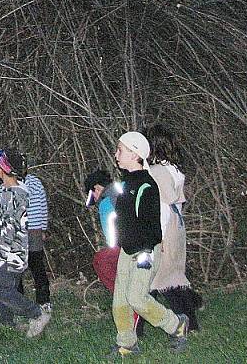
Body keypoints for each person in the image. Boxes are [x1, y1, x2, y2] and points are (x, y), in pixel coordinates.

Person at [110, 131, 188, 358]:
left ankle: (176, 325)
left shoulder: (147, 185)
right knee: (120, 300)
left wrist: (145, 255)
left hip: (145, 251)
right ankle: (127, 343)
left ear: (135, 154)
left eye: (120, 150)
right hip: (127, 249)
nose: (116, 154)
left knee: (137, 298)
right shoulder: (125, 183)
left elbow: (151, 225)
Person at [0, 148, 51, 337]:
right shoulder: (9, 191)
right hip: (5, 251)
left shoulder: (15, 194)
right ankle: (6, 323)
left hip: (10, 252)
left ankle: (36, 314)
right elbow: (3, 219)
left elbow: (7, 227)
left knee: (2, 290)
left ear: (2, 169)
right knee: (1, 287)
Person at [144, 124, 202, 332]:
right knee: (170, 278)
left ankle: (187, 323)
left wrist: (156, 238)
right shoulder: (173, 169)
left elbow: (161, 207)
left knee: (161, 281)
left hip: (165, 229)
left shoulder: (157, 172)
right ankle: (190, 321)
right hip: (176, 228)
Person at [6, 165, 50, 310]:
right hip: (24, 230)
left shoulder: (31, 183)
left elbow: (43, 205)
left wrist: (42, 228)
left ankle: (43, 301)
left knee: (34, 265)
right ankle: (21, 300)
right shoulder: (33, 183)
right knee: (24, 266)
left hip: (29, 230)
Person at [84, 169, 122, 294]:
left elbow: (112, 239)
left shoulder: (106, 203)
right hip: (148, 240)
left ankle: (120, 293)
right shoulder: (124, 187)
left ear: (97, 188)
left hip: (127, 248)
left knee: (100, 260)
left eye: (92, 194)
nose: (94, 199)